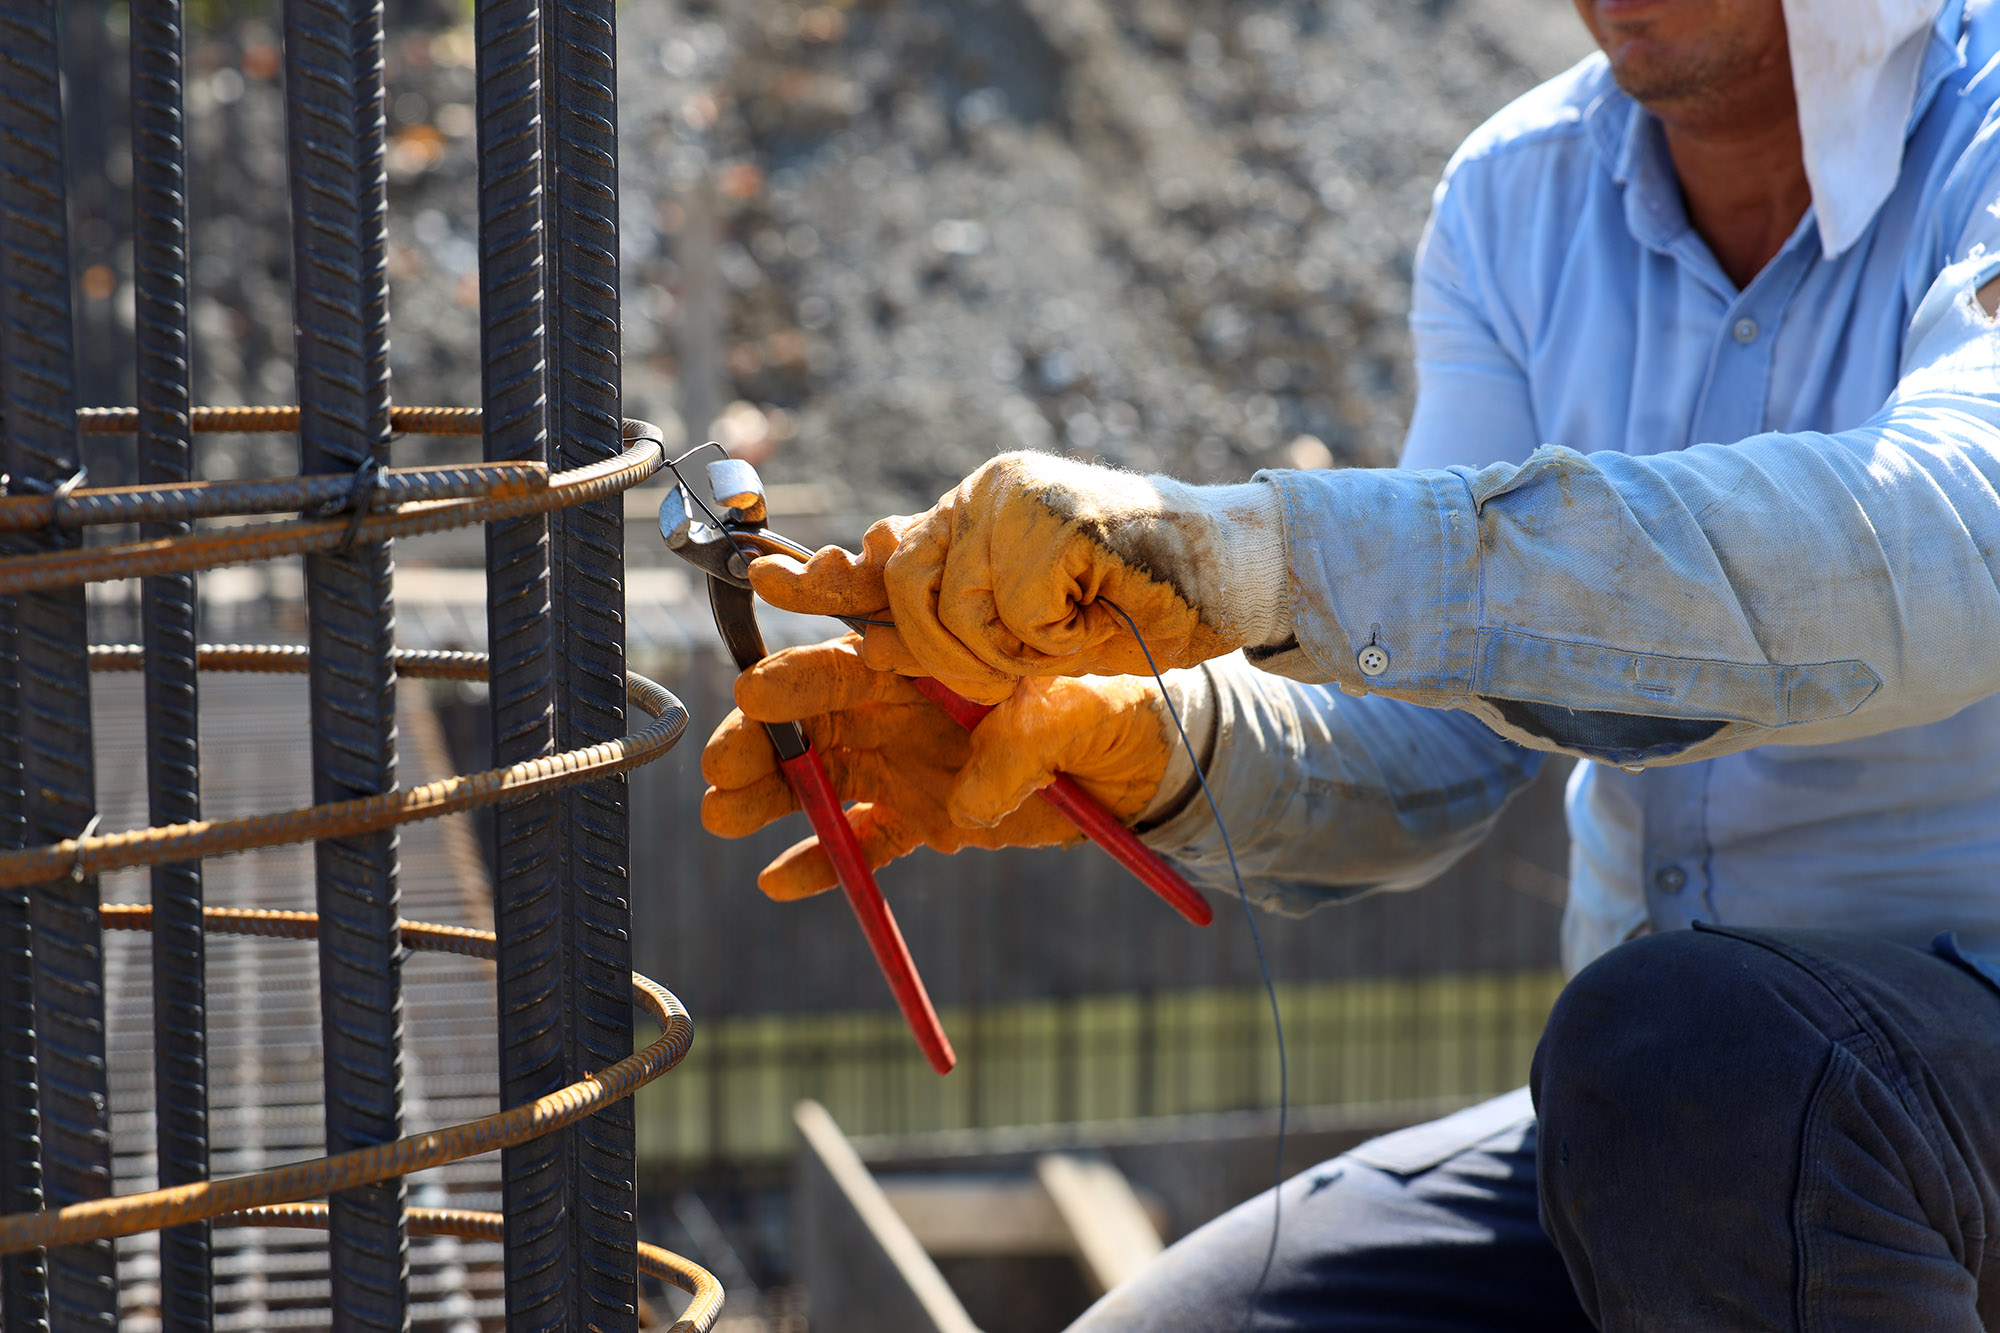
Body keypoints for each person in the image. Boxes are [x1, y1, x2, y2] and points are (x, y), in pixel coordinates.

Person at [699, 0, 2000, 1325]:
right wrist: (1133, 731)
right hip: (1651, 1131)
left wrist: (1258, 559)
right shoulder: (1520, 195)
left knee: (1700, 1055)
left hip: (1827, 1085)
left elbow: (1951, 547)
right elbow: (1438, 727)